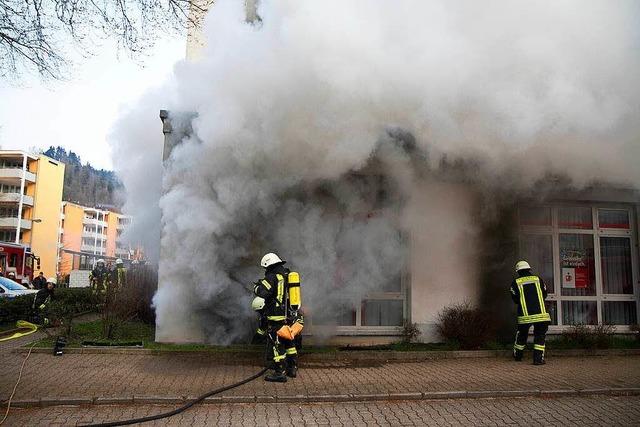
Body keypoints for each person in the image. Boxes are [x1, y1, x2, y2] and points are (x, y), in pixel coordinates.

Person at [252, 252, 303, 382]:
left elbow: (263, 292)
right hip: (288, 314)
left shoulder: (272, 277)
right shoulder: (286, 274)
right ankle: (292, 368)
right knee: (289, 342)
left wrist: (256, 287)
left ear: (268, 265)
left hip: (276, 316)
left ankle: (279, 372)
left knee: (277, 343)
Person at [510, 260, 551, 365]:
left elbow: (515, 299)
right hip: (541, 315)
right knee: (540, 336)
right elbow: (545, 294)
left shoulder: (515, 282)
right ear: (529, 269)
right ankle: (538, 360)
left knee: (522, 334)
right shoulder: (538, 279)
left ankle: (518, 356)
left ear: (518, 271)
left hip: (525, 316)